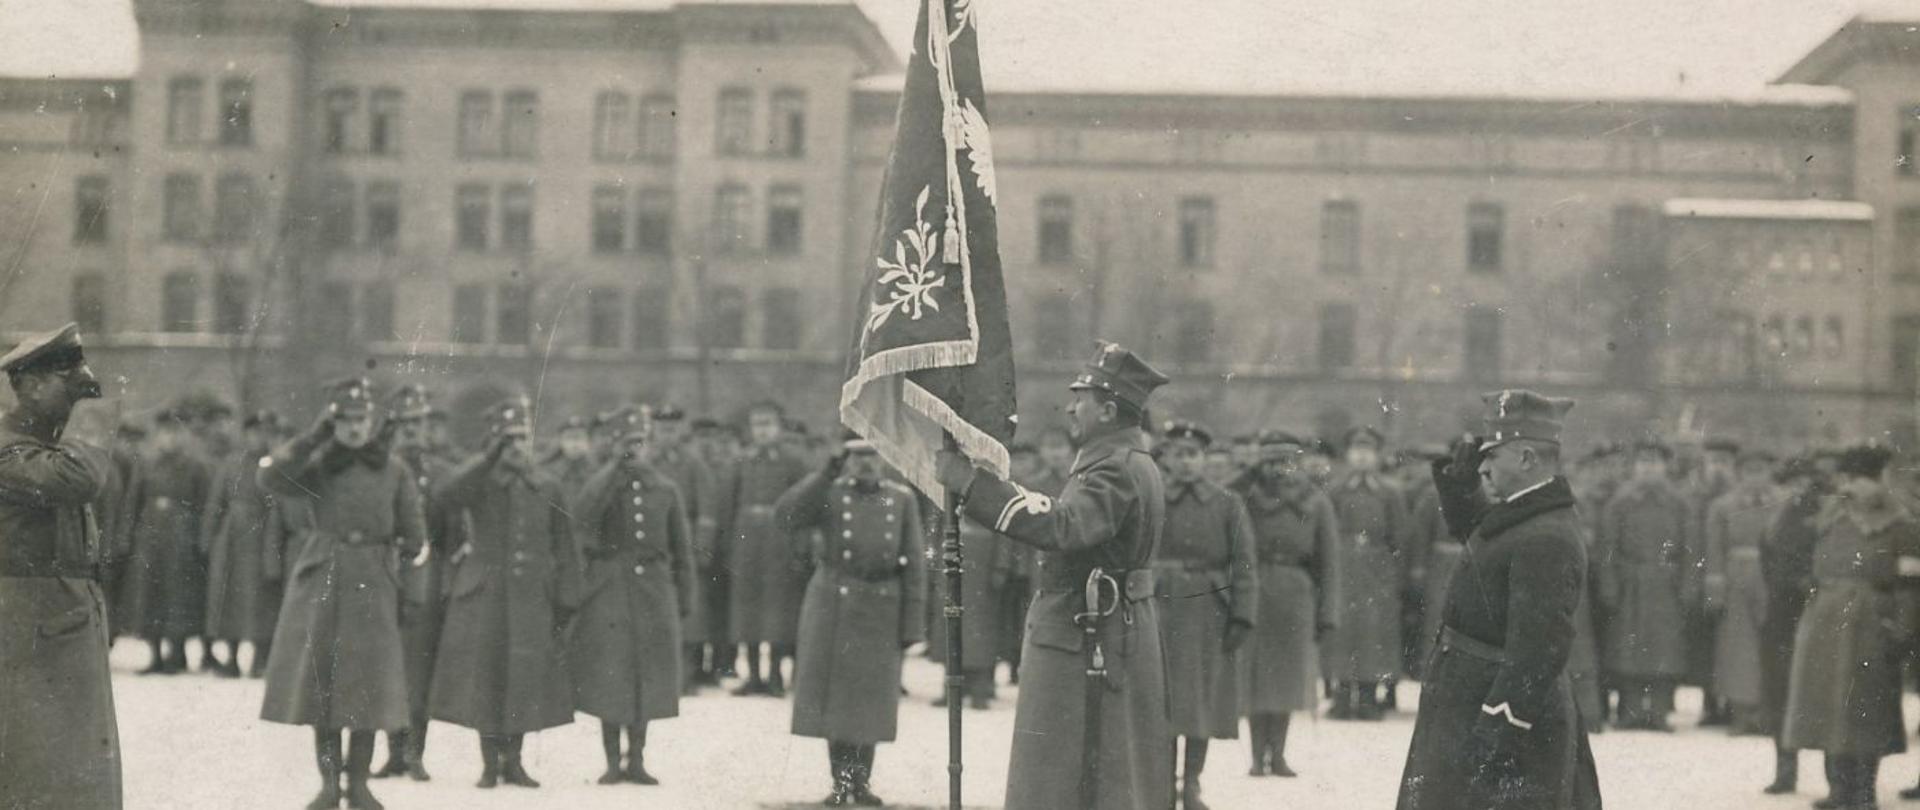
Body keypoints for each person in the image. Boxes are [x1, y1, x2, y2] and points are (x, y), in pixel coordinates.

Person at [933, 340, 1173, 810]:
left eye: (1079, 398)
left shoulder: (1115, 469)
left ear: (1106, 410)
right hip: (1100, 627)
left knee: (1064, 772)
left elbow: (1064, 525)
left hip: (1087, 632)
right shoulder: (1123, 461)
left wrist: (972, 485)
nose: (1069, 407)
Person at [1396, 389, 1601, 810]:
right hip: (1471, 699)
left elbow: (1539, 650)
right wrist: (1460, 484)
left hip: (1501, 716)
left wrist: (1496, 729)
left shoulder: (1547, 535)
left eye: (1493, 456)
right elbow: (1481, 536)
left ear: (1527, 459)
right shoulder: (1524, 513)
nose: (1483, 466)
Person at [257, 377, 427, 810]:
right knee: (324, 689)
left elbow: (415, 537)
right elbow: (272, 477)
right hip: (325, 579)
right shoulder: (317, 466)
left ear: (372, 422)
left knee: (369, 688)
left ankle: (360, 783)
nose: (354, 428)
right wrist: (315, 435)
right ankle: (330, 784)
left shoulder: (394, 468)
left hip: (375, 580)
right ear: (335, 422)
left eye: (361, 419)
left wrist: (408, 589)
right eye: (345, 420)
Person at [429, 396, 583, 789]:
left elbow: (565, 544)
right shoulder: (479, 482)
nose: (517, 446)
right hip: (486, 592)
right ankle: (488, 764)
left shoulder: (547, 484)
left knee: (522, 676)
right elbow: (445, 496)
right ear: (495, 442)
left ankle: (513, 761)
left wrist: (568, 595)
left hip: (532, 593)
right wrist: (486, 460)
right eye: (509, 439)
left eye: (523, 438)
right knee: (487, 674)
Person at [0, 323, 121, 810]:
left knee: (70, 772)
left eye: (81, 373)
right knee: (39, 771)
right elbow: (78, 478)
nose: (79, 384)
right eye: (63, 376)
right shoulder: (8, 449)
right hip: (26, 629)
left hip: (57, 626)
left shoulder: (46, 443)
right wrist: (91, 413)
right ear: (26, 386)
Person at [779, 432, 926, 806]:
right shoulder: (830, 493)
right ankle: (840, 782)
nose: (865, 464)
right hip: (834, 602)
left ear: (885, 459)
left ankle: (862, 783)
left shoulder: (901, 499)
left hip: (882, 605)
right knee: (837, 700)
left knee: (871, 700)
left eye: (873, 456)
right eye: (856, 456)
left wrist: (912, 622)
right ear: (845, 459)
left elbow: (915, 564)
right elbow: (787, 515)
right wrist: (824, 474)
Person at [1781, 445, 1919, 810]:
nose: (1852, 488)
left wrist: (1902, 628)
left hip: (1873, 622)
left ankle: (1863, 793)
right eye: (1848, 480)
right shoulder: (1829, 514)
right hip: (1825, 619)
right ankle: (1838, 789)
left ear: (1877, 480)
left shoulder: (1902, 524)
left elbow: (1910, 584)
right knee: (1828, 707)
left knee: (1865, 709)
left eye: (1861, 480)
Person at [570, 407, 695, 786]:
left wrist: (685, 595)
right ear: (613, 445)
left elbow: (682, 548)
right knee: (613, 673)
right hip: (610, 588)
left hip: (654, 590)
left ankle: (636, 759)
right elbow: (583, 517)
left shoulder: (666, 488)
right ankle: (611, 761)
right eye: (627, 444)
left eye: (640, 444)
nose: (634, 452)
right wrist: (613, 471)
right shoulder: (601, 485)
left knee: (647, 673)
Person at [1154, 420, 1257, 810]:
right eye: (1178, 454)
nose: (1185, 462)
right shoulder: (1155, 498)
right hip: (1160, 607)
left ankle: (1191, 784)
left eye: (1193, 454)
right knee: (1161, 702)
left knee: (1199, 704)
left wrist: (1243, 616)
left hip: (1207, 614)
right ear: (1166, 458)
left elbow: (1244, 565)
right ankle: (1162, 784)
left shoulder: (1227, 503)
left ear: (1204, 458)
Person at [1235, 429, 1339, 778]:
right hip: (1254, 591)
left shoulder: (1316, 501)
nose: (1279, 469)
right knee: (1255, 677)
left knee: (1287, 679)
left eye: (1286, 461)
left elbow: (1329, 561)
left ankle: (1277, 754)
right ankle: (1255, 756)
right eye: (1271, 461)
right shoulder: (1243, 496)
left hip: (1296, 594)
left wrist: (1328, 612)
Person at [372, 385, 457, 781]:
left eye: (417, 423)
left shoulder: (442, 474)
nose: (410, 431)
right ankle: (392, 751)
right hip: (385, 573)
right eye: (403, 423)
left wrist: (446, 581)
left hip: (427, 575)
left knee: (420, 668)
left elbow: (455, 536)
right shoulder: (379, 471)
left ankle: (415, 752)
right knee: (388, 666)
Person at [1595, 438, 1694, 731]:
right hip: (1631, 585)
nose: (1648, 469)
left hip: (1666, 585)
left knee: (1666, 649)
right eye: (1643, 462)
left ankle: (1661, 711)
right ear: (1634, 467)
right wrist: (1609, 586)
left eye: (1655, 463)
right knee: (1628, 648)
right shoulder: (1619, 504)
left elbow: (1691, 549)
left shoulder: (1679, 504)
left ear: (1666, 467)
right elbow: (1607, 548)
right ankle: (1631, 710)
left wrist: (1689, 586)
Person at [715, 401, 811, 696]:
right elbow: (728, 505)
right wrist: (728, 545)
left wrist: (799, 545)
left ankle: (774, 676)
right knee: (747, 609)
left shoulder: (795, 461)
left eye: (768, 424)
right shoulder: (741, 461)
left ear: (779, 428)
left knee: (778, 611)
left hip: (779, 542)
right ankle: (753, 674)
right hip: (746, 542)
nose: (763, 431)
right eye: (757, 424)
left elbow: (804, 506)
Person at [1324, 425, 1411, 719]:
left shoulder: (1390, 493)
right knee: (1343, 631)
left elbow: (1400, 538)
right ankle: (1341, 694)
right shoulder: (1335, 490)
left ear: (1376, 456)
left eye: (1368, 451)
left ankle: (1368, 696)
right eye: (1356, 451)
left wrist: (1396, 576)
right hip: (1343, 567)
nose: (1361, 457)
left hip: (1378, 571)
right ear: (1348, 455)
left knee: (1374, 633)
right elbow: (1325, 532)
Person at [119, 405, 214, 674]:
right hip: (150, 538)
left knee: (178, 595)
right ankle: (155, 654)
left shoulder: (195, 466)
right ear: (157, 436)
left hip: (181, 539)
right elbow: (132, 503)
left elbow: (205, 505)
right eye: (164, 433)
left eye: (175, 433)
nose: (169, 439)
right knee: (150, 595)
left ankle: (177, 653)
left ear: (182, 435)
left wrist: (198, 538)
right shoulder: (147, 464)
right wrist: (128, 537)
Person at [1703, 448, 1779, 736]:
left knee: (1769, 645)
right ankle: (1741, 713)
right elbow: (1713, 549)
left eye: (1761, 471)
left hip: (1772, 579)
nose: (1755, 478)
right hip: (1736, 580)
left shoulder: (1781, 502)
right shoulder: (1722, 507)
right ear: (1739, 474)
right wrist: (1716, 589)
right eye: (1749, 471)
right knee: (1737, 647)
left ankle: (1766, 712)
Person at [201, 410, 281, 679]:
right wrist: (209, 538)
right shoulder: (231, 463)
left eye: (262, 432)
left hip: (259, 539)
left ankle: (260, 658)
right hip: (230, 539)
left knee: (259, 598)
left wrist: (272, 548)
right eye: (252, 432)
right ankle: (232, 657)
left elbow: (277, 508)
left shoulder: (274, 466)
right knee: (228, 598)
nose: (257, 437)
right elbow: (215, 502)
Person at [1762, 456, 1825, 795]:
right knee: (1778, 692)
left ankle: (1836, 778)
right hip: (1779, 614)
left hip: (1808, 610)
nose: (1796, 490)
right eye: (1790, 483)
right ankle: (1785, 770)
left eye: (1803, 483)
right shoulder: (1774, 517)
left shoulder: (1819, 518)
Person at [649, 404, 719, 694]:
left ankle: (686, 675)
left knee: (690, 612)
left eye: (673, 429)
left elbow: (706, 509)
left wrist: (701, 548)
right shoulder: (647, 462)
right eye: (663, 429)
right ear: (653, 430)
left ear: (681, 431)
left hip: (685, 545)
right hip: (654, 545)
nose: (668, 435)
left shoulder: (693, 464)